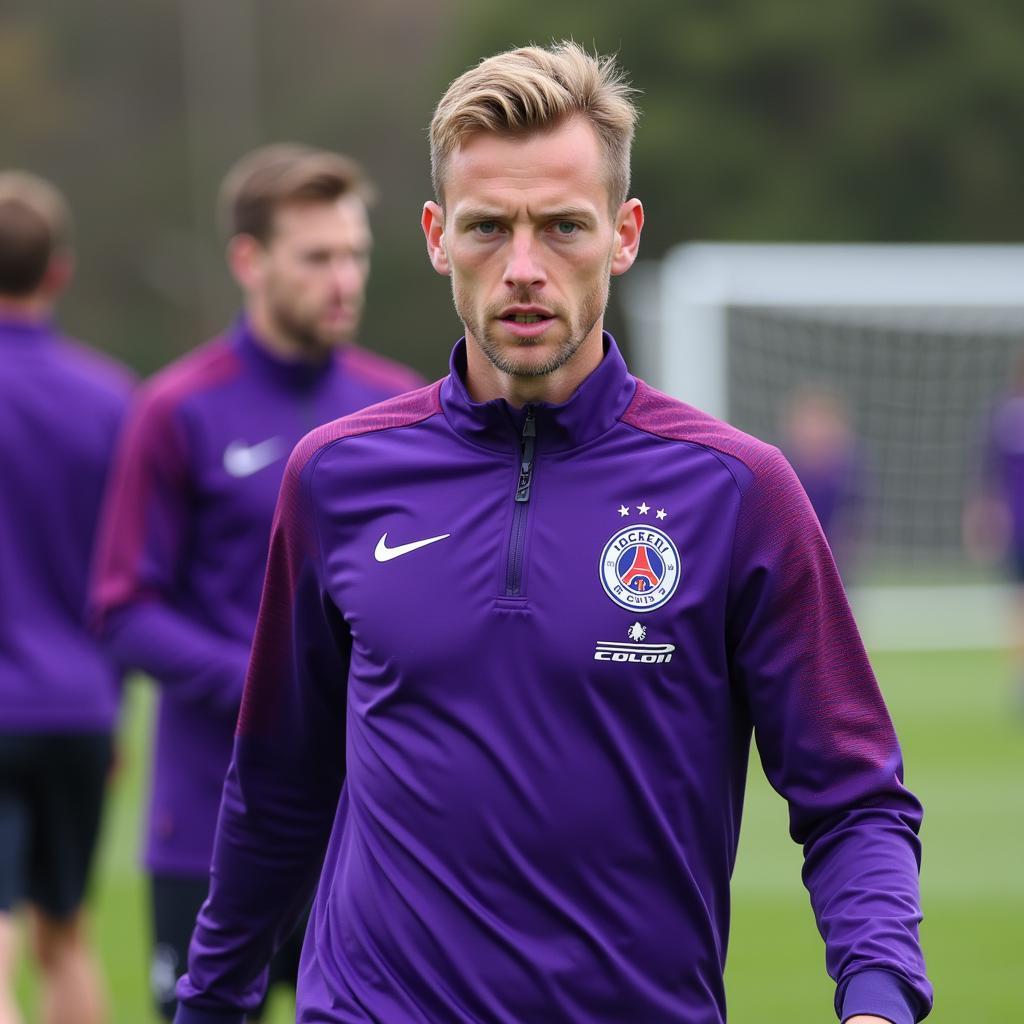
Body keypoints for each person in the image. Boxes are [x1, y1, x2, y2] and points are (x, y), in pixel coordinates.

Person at [173, 44, 932, 1024]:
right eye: (489, 227)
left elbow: (853, 796)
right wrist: (209, 1005)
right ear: (438, 235)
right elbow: (277, 779)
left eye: (562, 227)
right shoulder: (334, 476)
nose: (523, 268)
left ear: (622, 234)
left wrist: (876, 999)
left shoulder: (737, 490)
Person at [89, 144, 424, 1020]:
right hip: (205, 825)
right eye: (317, 257)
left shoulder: (401, 413)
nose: (343, 278)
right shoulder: (177, 409)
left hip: (367, 837)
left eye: (354, 254)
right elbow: (123, 607)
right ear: (250, 260)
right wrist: (275, 686)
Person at [0, 172, 133, 1024]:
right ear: (59, 273)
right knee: (67, 937)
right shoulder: (115, 400)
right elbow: (125, 573)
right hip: (82, 708)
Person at [963, 352, 1024, 708]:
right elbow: (987, 478)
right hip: (1017, 528)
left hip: (1015, 526)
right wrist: (981, 517)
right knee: (1017, 604)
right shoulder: (1003, 418)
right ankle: (1018, 678)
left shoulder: (1002, 416)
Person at [781, 387, 866, 582]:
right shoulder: (783, 463)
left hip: (834, 560)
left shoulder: (849, 465)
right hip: (793, 559)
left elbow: (854, 518)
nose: (814, 431)